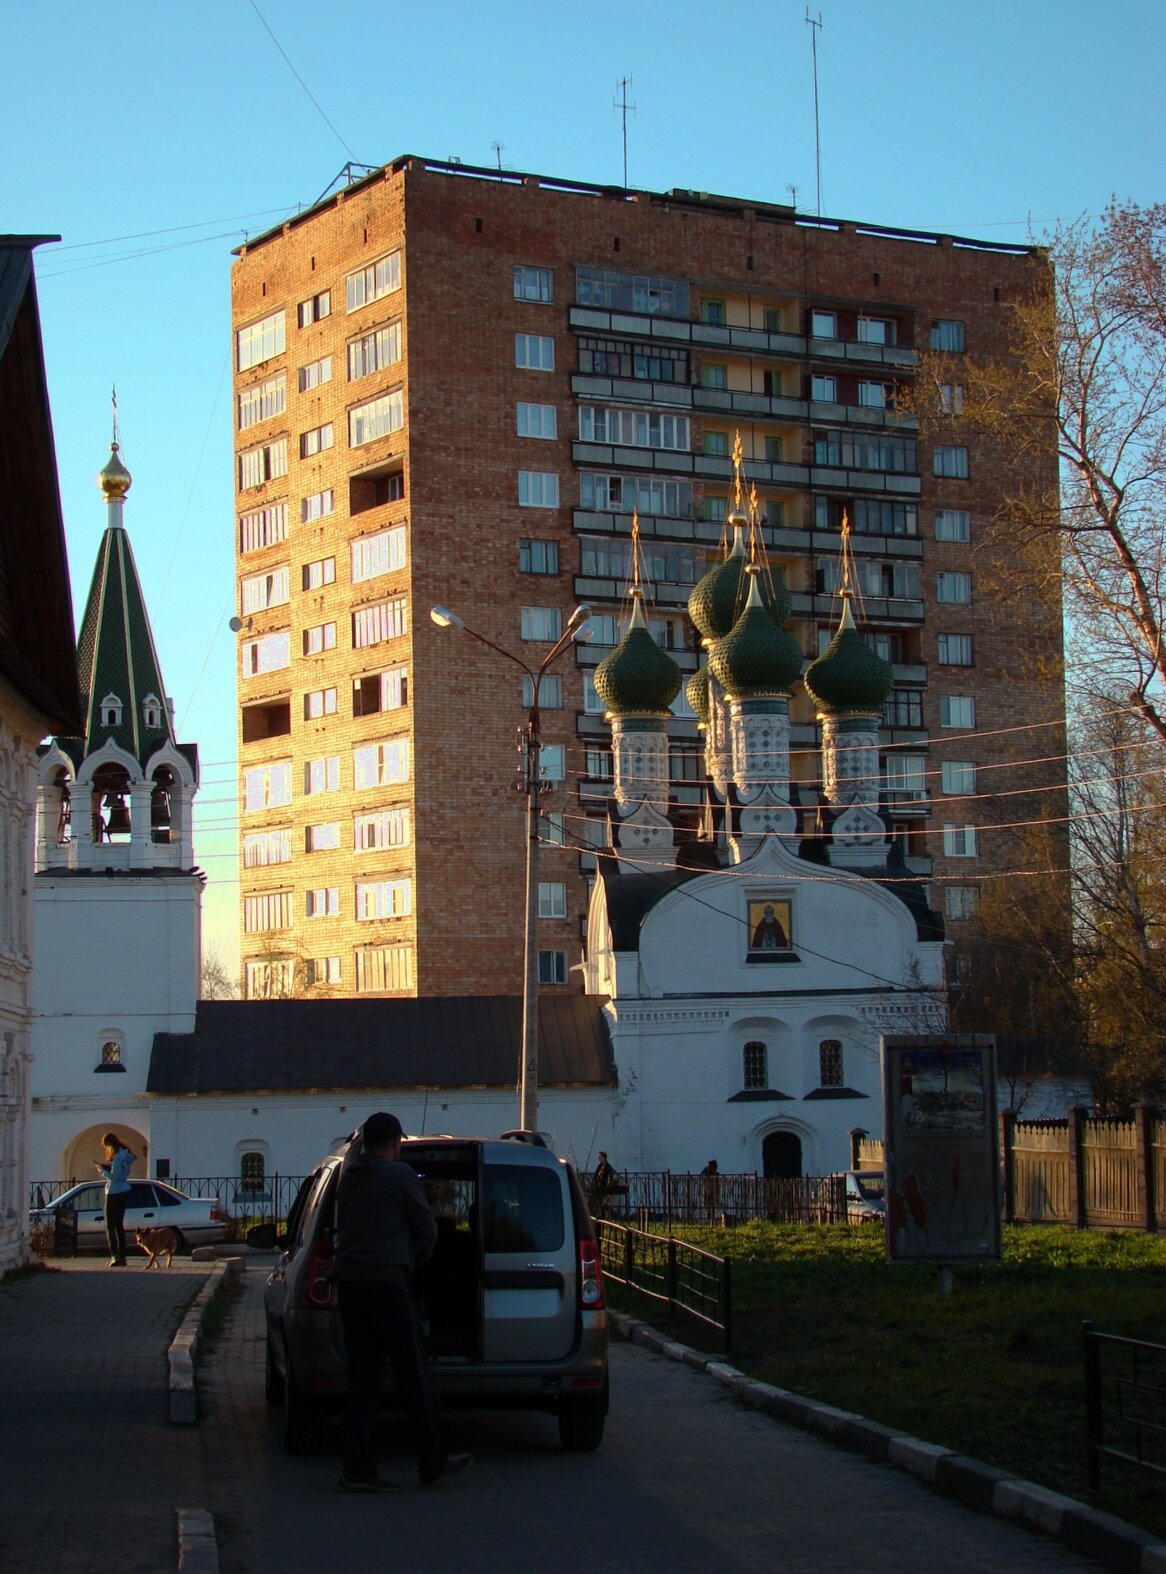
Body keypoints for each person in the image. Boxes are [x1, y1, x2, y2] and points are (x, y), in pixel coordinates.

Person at [333, 1111, 472, 1492]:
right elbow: (427, 1228)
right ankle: (433, 1460)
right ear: (396, 1143)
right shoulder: (398, 1175)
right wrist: (415, 1260)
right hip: (387, 1282)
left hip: (350, 1282)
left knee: (364, 1377)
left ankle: (356, 1466)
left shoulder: (347, 1178)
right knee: (414, 1372)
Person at [94, 1132, 134, 1266]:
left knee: (110, 1226)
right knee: (119, 1225)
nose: (106, 1150)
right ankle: (123, 1255)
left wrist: (102, 1171)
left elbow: (115, 1177)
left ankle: (115, 1255)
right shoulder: (125, 1154)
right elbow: (122, 1173)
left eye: (106, 1146)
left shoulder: (116, 1157)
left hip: (113, 1192)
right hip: (124, 1190)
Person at [589, 1151, 616, 1219]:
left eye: (600, 1156)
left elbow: (610, 1174)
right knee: (599, 1201)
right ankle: (600, 1214)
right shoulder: (600, 1166)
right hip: (599, 1186)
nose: (599, 1158)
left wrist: (609, 1183)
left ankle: (606, 1214)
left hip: (605, 1187)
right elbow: (596, 1175)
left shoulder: (607, 1166)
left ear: (604, 1157)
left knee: (605, 1202)